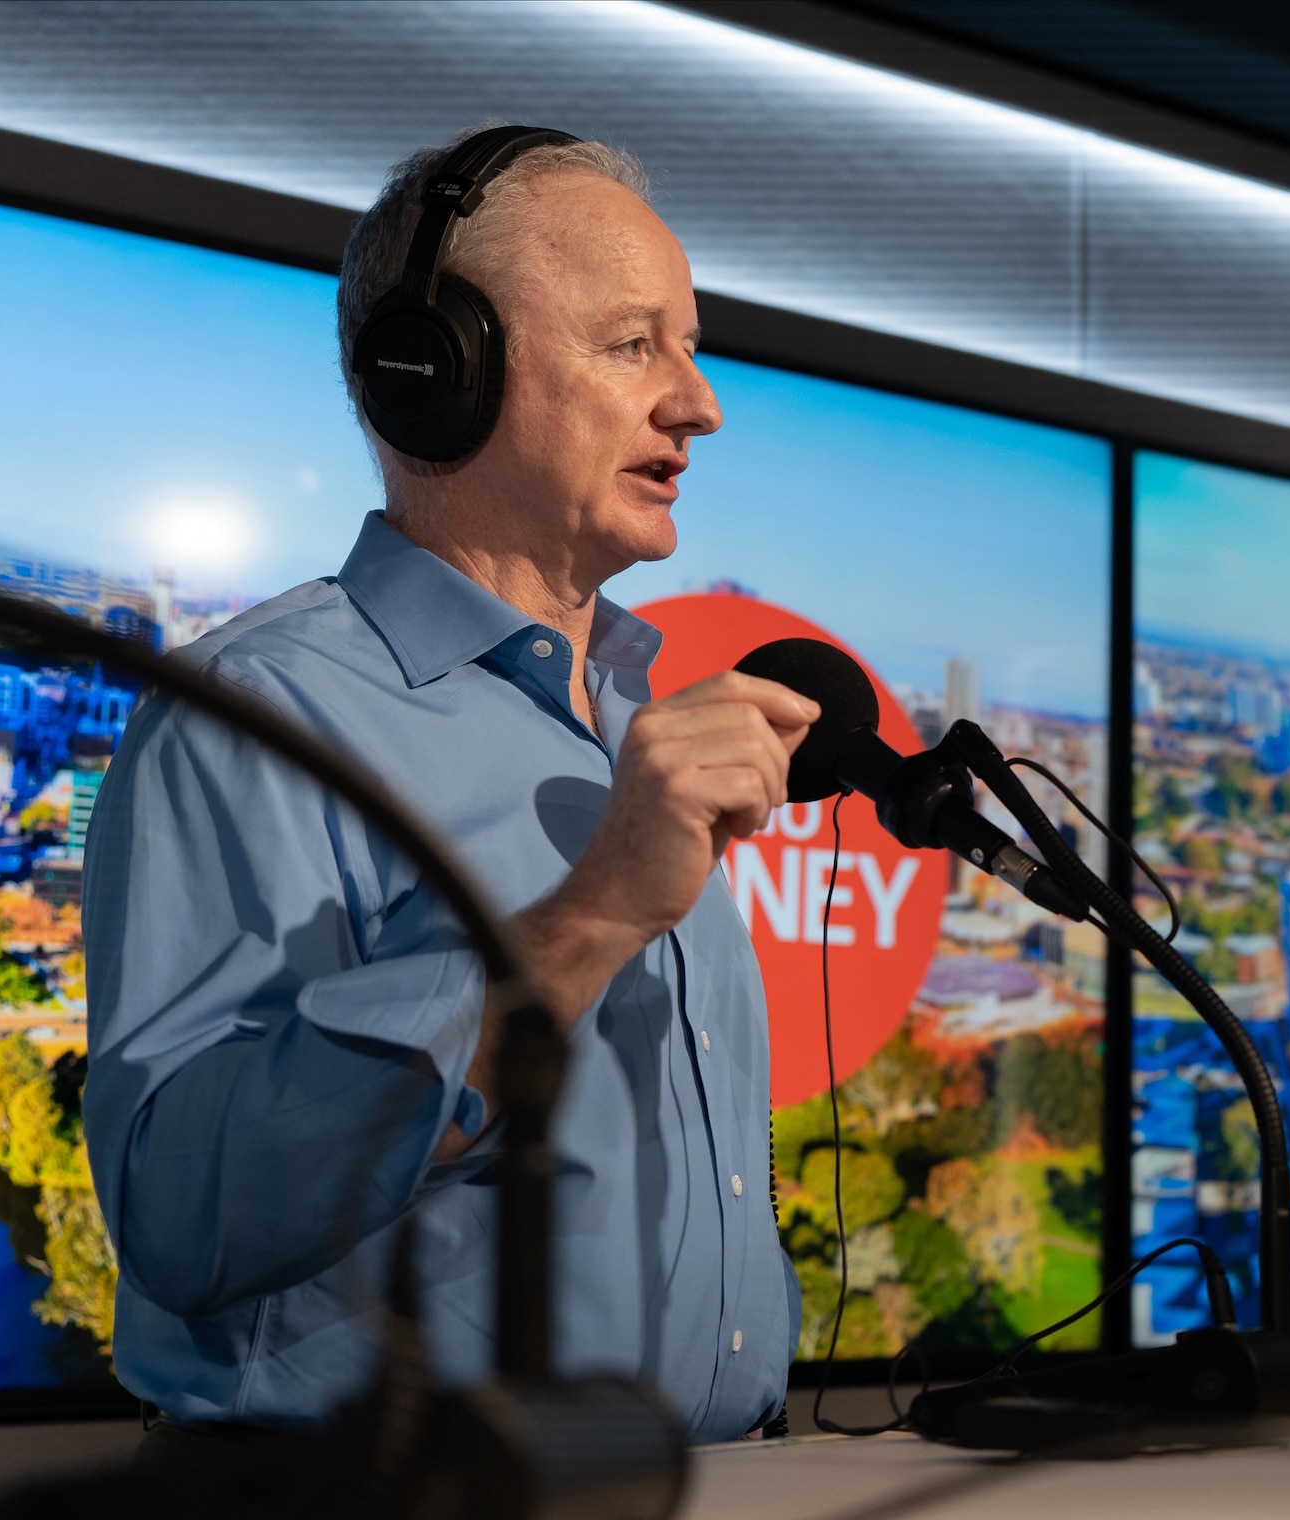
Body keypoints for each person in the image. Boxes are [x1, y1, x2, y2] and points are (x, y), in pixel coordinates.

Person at [83, 128, 814, 1443]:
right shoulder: (254, 718)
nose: (699, 404)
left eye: (689, 347)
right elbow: (182, 1218)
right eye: (632, 343)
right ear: (436, 369)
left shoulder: (640, 725)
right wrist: (586, 920)